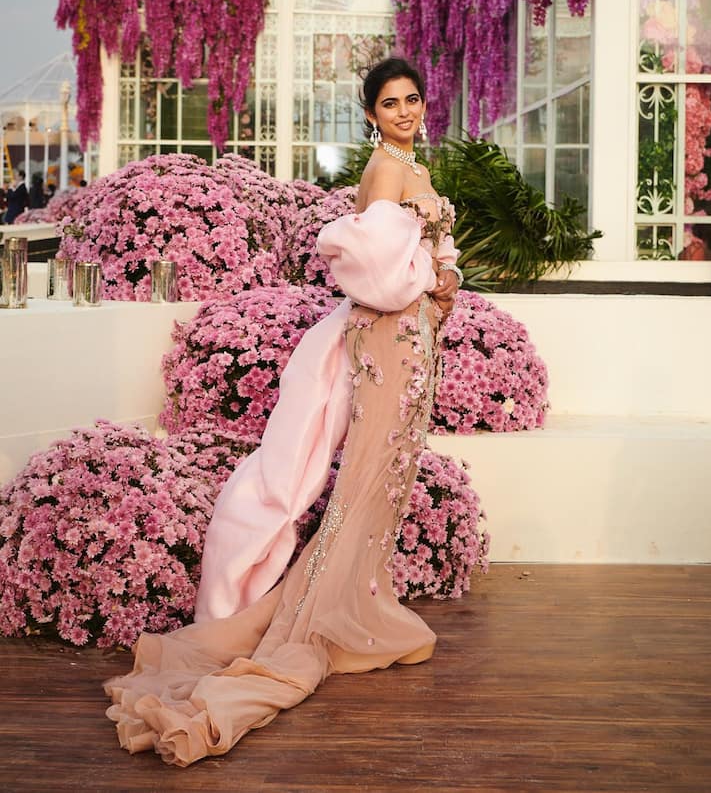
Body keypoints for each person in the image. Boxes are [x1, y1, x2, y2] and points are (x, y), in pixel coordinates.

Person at [104, 58, 463, 767]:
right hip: (389, 340)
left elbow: (427, 260)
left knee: (387, 477)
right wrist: (430, 274)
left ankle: (359, 600)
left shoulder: (415, 168)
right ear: (370, 113)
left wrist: (444, 274)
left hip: (416, 341)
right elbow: (382, 278)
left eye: (412, 99)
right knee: (368, 477)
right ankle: (326, 614)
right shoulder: (386, 174)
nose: (403, 111)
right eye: (389, 103)